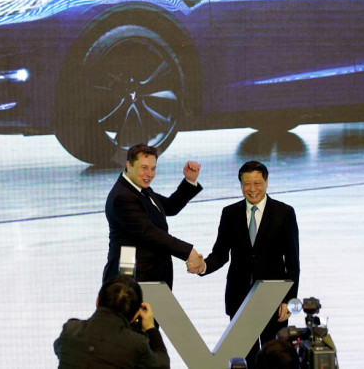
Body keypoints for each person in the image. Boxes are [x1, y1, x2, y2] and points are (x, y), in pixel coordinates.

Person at [193, 160, 300, 367]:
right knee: (244, 360)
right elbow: (220, 254)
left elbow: (293, 263)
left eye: (257, 183)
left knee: (275, 361)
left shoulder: (284, 213)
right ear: (241, 184)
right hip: (239, 300)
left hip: (274, 302)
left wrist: (289, 299)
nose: (252, 189)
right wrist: (203, 266)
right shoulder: (230, 213)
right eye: (247, 184)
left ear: (267, 182)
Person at [102, 144, 205, 289]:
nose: (149, 174)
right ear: (129, 166)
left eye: (153, 168)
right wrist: (188, 252)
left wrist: (189, 181)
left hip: (149, 273)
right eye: (144, 167)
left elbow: (169, 206)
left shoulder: (138, 189)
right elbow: (149, 232)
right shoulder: (123, 197)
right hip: (132, 277)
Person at [54, 275, 170, 368]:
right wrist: (150, 328)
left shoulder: (70, 329)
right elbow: (163, 365)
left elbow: (59, 349)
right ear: (136, 315)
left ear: (97, 301)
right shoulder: (136, 344)